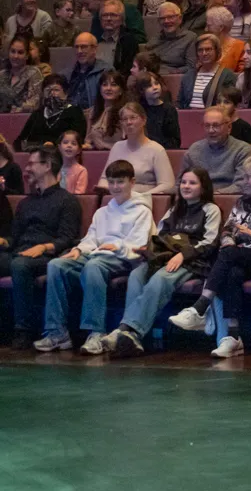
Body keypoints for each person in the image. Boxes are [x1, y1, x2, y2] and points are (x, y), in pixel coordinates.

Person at [169, 154, 251, 358]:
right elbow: (228, 230)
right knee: (233, 272)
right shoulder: (242, 202)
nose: (244, 181)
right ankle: (233, 337)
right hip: (239, 255)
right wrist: (231, 240)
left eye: (248, 177)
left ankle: (200, 307)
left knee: (229, 256)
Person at [33, 160, 154, 355]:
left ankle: (96, 332)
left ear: (132, 182)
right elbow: (91, 239)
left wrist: (117, 246)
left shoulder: (142, 211)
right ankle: (57, 332)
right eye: (112, 182)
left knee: (94, 266)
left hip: (122, 258)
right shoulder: (102, 212)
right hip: (97, 255)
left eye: (120, 182)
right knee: (56, 265)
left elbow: (138, 246)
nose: (115, 187)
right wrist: (79, 250)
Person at [102, 168, 223, 358]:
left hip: (194, 261)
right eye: (184, 182)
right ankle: (131, 334)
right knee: (136, 275)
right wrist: (148, 252)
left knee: (160, 278)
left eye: (192, 183)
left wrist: (183, 255)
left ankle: (126, 331)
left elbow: (210, 243)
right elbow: (160, 237)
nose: (186, 186)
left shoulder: (211, 209)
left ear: (203, 187)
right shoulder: (174, 209)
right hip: (166, 257)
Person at [2, 147, 82, 348]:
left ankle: (23, 330)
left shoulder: (67, 201)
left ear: (47, 166)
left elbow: (68, 239)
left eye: (31, 164)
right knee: (15, 260)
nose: (27, 168)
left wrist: (44, 247)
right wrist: (4, 241)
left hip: (48, 255)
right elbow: (14, 237)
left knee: (20, 265)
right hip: (21, 251)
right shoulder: (26, 203)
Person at [94, 102, 173, 194]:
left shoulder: (157, 150)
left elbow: (167, 185)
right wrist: (103, 189)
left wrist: (141, 196)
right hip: (117, 198)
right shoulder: (117, 147)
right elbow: (105, 178)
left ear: (144, 120)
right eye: (125, 119)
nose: (129, 122)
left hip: (144, 199)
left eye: (133, 118)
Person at [178, 105, 251, 193]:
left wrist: (214, 195)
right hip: (198, 198)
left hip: (228, 198)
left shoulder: (242, 150)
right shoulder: (194, 150)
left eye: (216, 125)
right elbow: (180, 183)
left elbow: (241, 185)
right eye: (207, 126)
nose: (211, 130)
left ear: (229, 127)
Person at [15, 75, 87, 151]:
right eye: (48, 90)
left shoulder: (74, 112)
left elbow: (77, 140)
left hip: (62, 153)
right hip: (37, 153)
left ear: (66, 93)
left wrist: (53, 144)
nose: (52, 93)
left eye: (56, 90)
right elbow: (20, 140)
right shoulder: (37, 113)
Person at [176, 34, 236, 110]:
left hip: (215, 115)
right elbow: (180, 103)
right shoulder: (189, 75)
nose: (204, 53)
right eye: (200, 50)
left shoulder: (227, 75)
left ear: (217, 51)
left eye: (208, 49)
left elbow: (229, 104)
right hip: (188, 115)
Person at [0, 36, 42, 113]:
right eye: (13, 51)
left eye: (20, 52)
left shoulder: (33, 73)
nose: (15, 56)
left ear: (27, 55)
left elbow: (35, 104)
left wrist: (18, 109)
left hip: (25, 117)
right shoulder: (2, 75)